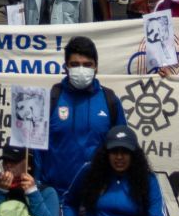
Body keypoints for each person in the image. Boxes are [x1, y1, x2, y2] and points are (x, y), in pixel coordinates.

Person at [39, 36, 125, 196]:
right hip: (55, 197)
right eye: (75, 64)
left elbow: (123, 148)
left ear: (96, 67)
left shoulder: (110, 101)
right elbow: (36, 150)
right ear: (65, 67)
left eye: (87, 65)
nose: (81, 69)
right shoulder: (50, 99)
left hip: (97, 197)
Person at [62, 126, 165, 216]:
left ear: (133, 154)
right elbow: (69, 203)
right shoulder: (90, 172)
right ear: (106, 153)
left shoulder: (148, 180)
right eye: (114, 151)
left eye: (125, 151)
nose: (119, 157)